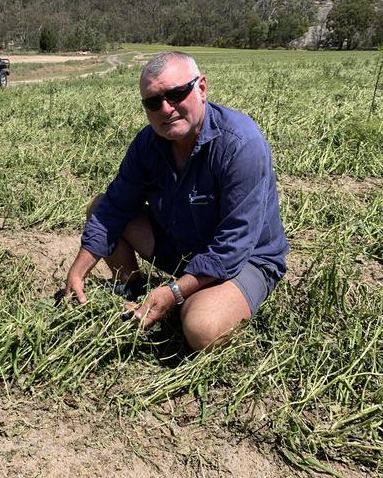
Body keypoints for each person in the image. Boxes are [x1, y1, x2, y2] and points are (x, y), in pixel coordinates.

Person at [63, 51, 289, 351]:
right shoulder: (147, 144)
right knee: (99, 208)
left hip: (245, 259)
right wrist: (77, 272)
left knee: (202, 329)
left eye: (177, 94)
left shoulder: (240, 145)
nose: (166, 109)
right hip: (182, 246)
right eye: (153, 102)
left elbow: (233, 246)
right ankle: (132, 290)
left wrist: (173, 292)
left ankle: (209, 300)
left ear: (202, 88)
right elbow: (113, 209)